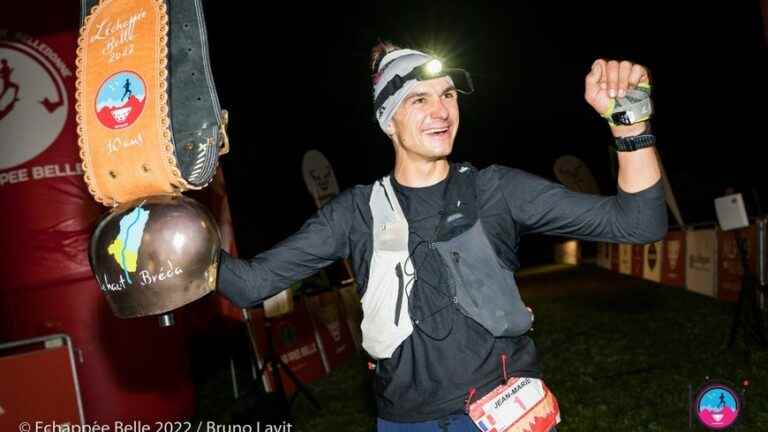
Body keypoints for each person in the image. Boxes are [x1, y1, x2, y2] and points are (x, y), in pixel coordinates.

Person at [216, 41, 667, 431]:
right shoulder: (355, 212)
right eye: (419, 99)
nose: (441, 110)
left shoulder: (496, 189)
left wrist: (629, 124)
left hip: (509, 411)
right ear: (387, 120)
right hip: (409, 421)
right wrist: (154, 235)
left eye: (448, 94)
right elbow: (248, 284)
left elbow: (639, 223)